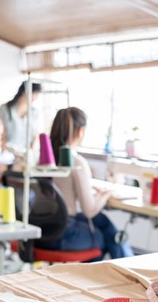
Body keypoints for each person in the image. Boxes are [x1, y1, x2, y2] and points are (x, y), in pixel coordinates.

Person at [48, 107, 134, 260]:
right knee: (106, 236)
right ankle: (129, 268)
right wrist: (105, 193)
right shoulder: (77, 162)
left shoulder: (45, 159)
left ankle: (128, 267)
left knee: (102, 221)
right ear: (81, 131)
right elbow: (89, 210)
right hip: (63, 235)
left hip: (44, 231)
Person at [0, 81, 43, 153]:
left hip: (27, 154)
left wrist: (31, 152)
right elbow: (0, 134)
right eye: (34, 94)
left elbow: (36, 134)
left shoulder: (34, 112)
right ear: (25, 92)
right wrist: (5, 152)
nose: (36, 98)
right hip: (8, 154)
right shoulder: (5, 109)